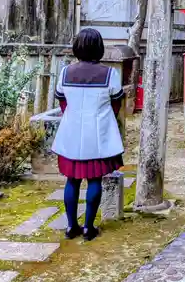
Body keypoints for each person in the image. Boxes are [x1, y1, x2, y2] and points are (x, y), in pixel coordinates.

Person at [52, 28, 125, 241]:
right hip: (98, 134)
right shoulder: (110, 74)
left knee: (72, 181)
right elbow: (116, 103)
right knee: (94, 180)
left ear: (77, 47)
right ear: (99, 48)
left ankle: (71, 226)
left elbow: (62, 100)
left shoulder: (65, 72)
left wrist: (73, 117)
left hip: (71, 133)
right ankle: (88, 228)